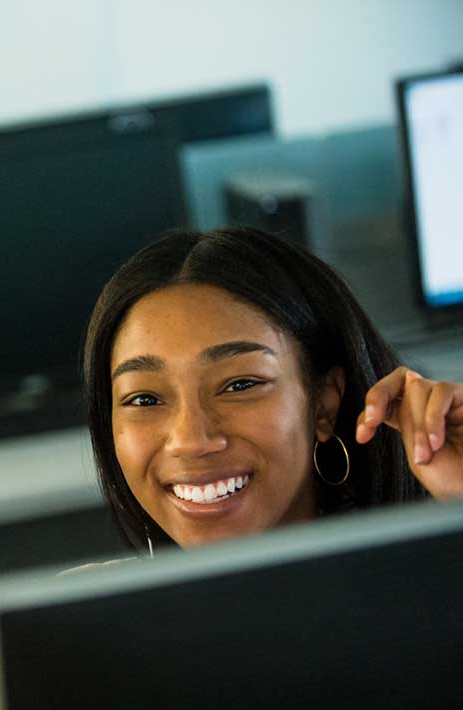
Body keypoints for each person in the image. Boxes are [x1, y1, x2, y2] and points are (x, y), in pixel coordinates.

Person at [82, 225, 463, 554]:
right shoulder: (85, 628)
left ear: (324, 404)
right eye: (144, 399)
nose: (190, 440)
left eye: (240, 384)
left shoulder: (431, 593)